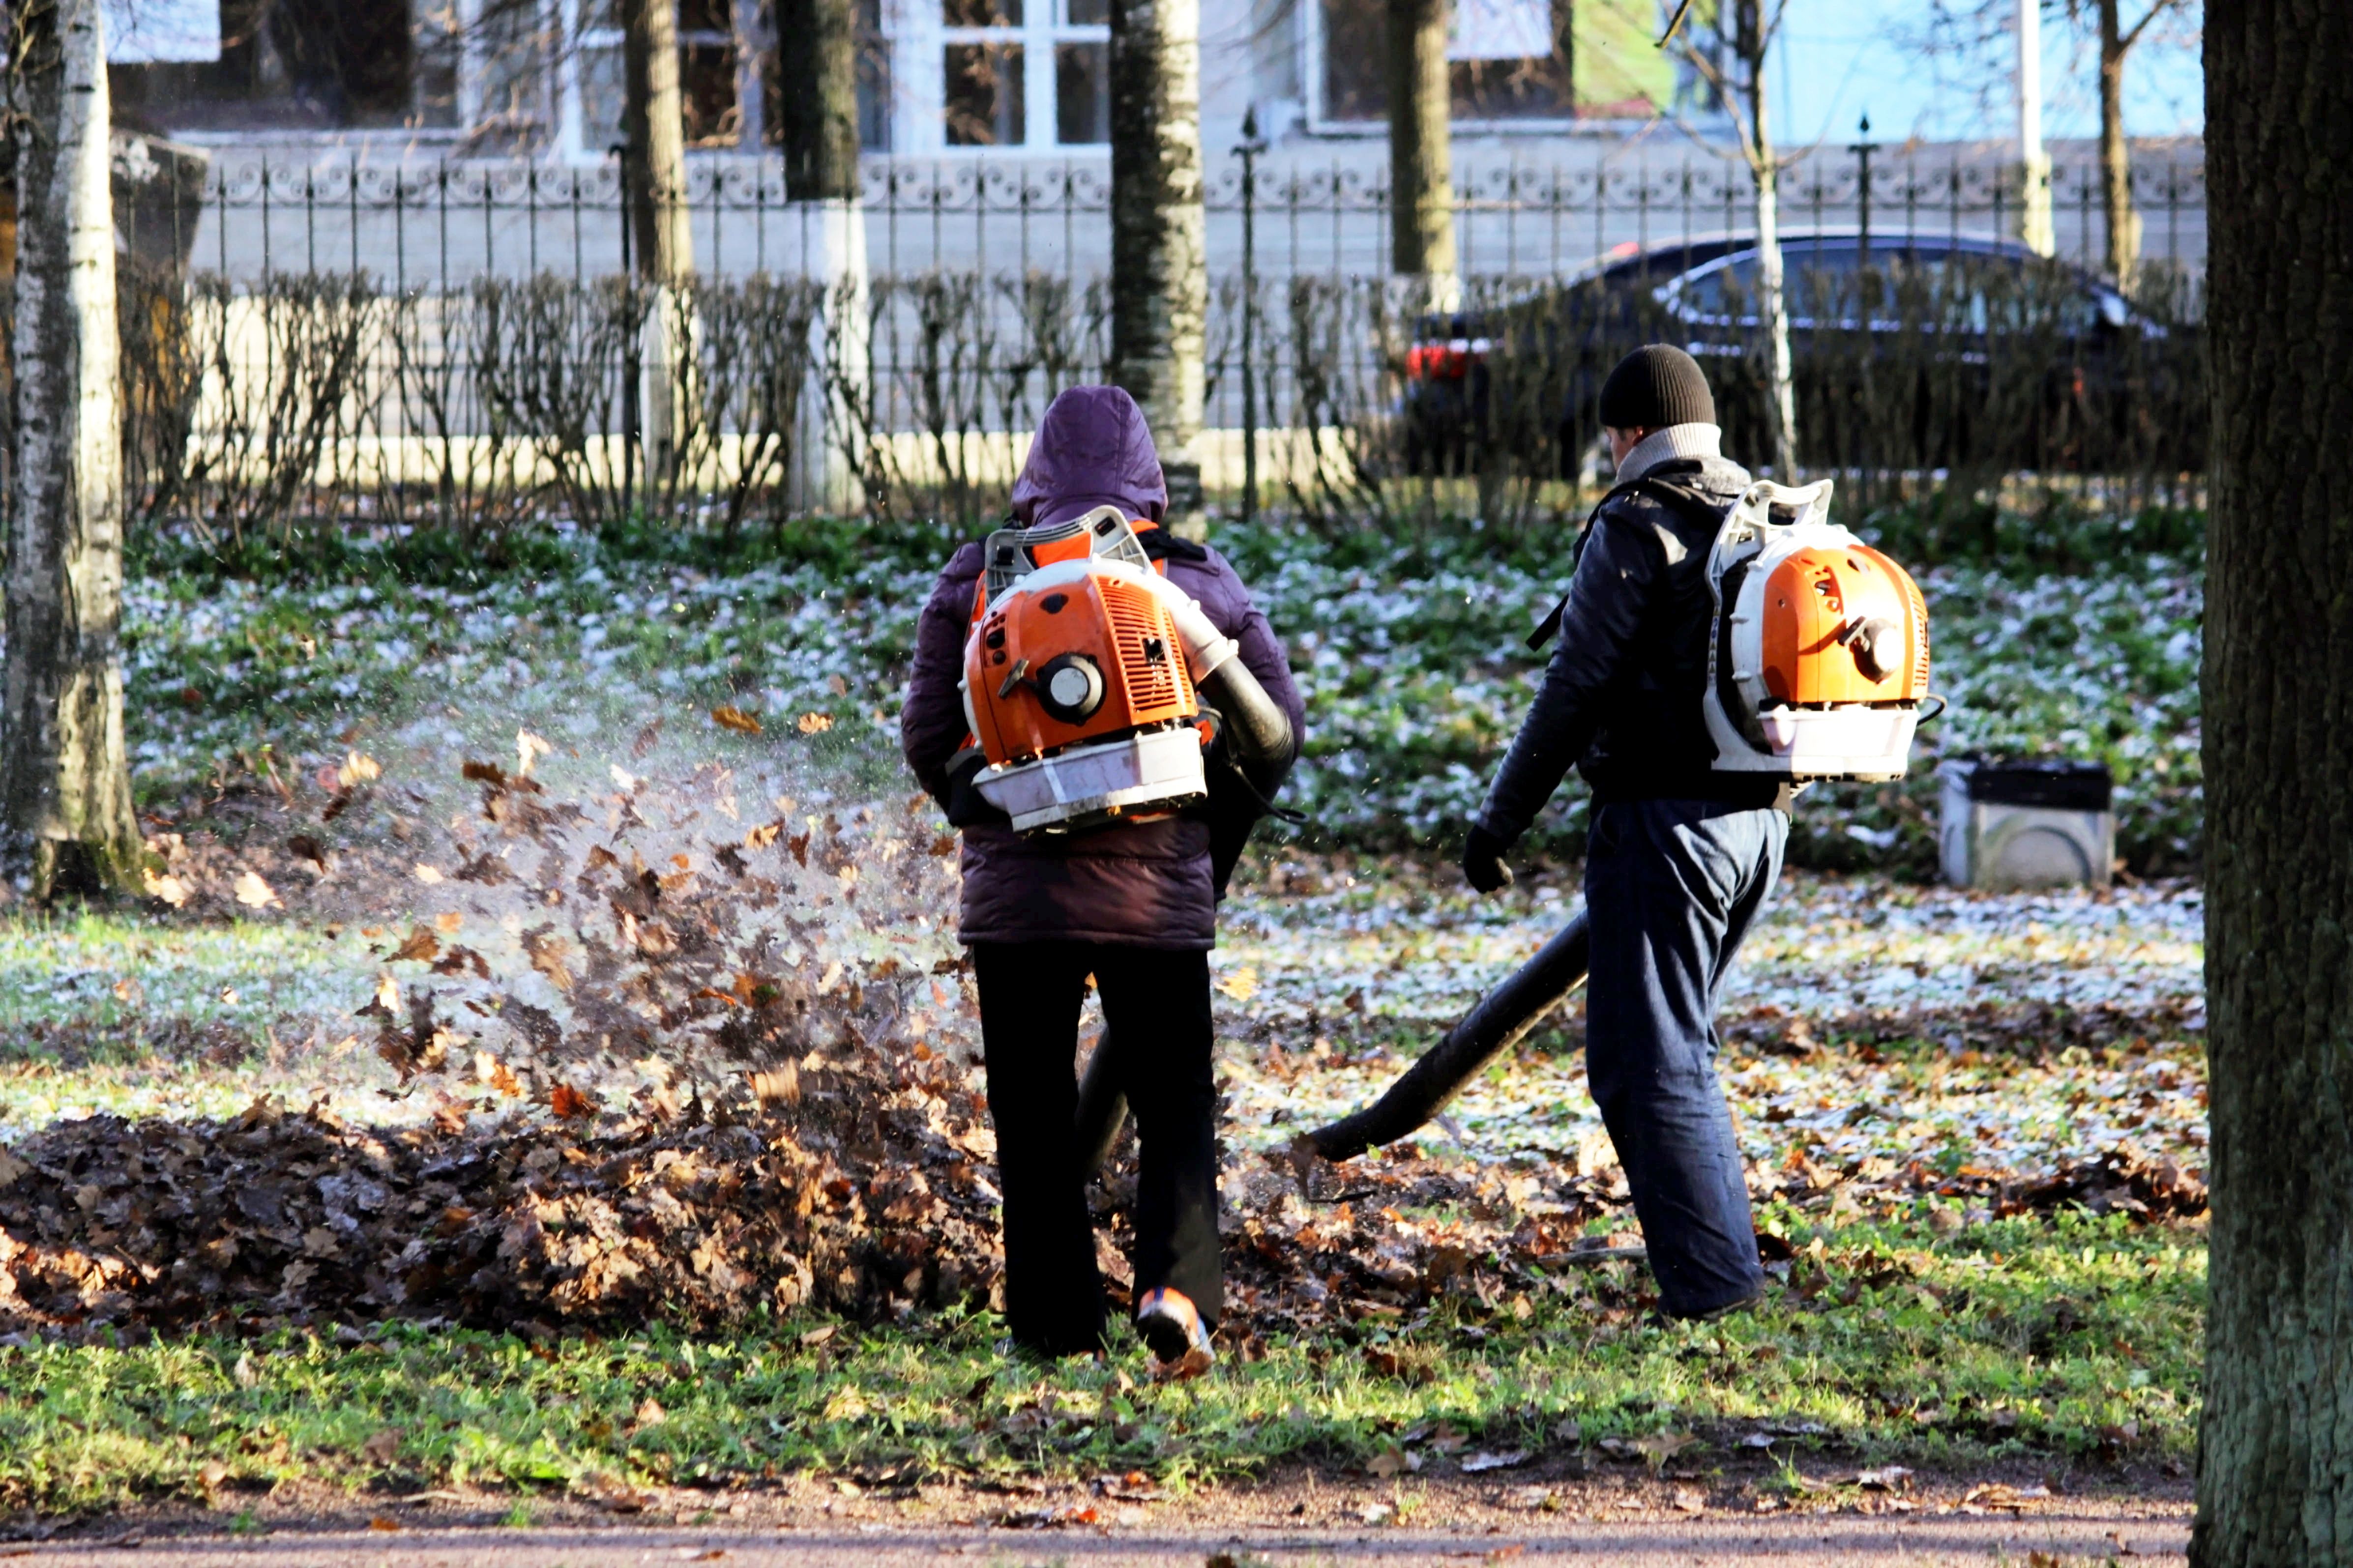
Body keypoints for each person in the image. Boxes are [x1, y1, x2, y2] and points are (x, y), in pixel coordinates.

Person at [901, 385, 1304, 1364]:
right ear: (1146, 477)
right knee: (1174, 1104)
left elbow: (926, 733)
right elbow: (1278, 723)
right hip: (1155, 898)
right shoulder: (1191, 577)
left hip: (1018, 902)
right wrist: (1195, 819)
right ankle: (1176, 1294)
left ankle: (1054, 1328)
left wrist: (994, 805)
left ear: (1034, 471)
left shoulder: (977, 576)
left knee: (1032, 1115)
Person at [1461, 344, 1784, 1322]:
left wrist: (1499, 820)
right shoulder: (1751, 513)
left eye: (1611, 437)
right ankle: (1722, 1272)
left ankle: (1714, 1292)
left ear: (1631, 433)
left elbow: (1575, 684)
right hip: (1756, 825)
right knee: (1674, 1051)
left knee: (1647, 1065)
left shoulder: (1639, 519)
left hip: (1663, 826)